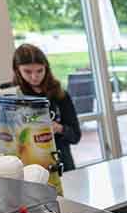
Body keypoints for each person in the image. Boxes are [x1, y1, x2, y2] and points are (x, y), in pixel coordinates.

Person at [5, 44, 81, 172]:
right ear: (17, 70)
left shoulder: (59, 94)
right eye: (27, 72)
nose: (34, 77)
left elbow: (75, 136)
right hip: (26, 165)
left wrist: (59, 128)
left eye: (40, 71)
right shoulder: (7, 93)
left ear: (47, 68)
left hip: (60, 162)